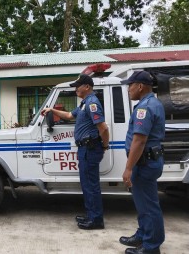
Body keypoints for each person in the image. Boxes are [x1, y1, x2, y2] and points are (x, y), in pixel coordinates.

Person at [41, 74, 109, 230]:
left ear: (87, 87)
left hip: (90, 148)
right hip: (85, 149)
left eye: (78, 86)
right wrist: (52, 109)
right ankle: (91, 215)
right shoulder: (84, 104)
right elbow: (69, 115)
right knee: (86, 184)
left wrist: (104, 146)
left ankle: (96, 220)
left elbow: (103, 128)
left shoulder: (92, 103)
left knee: (91, 185)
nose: (76, 89)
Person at [119, 71, 165, 254]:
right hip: (147, 161)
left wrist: (128, 168)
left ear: (140, 86)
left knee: (148, 205)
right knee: (144, 203)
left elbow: (139, 140)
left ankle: (151, 246)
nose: (128, 89)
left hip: (144, 163)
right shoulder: (153, 103)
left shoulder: (144, 108)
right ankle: (144, 234)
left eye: (130, 85)